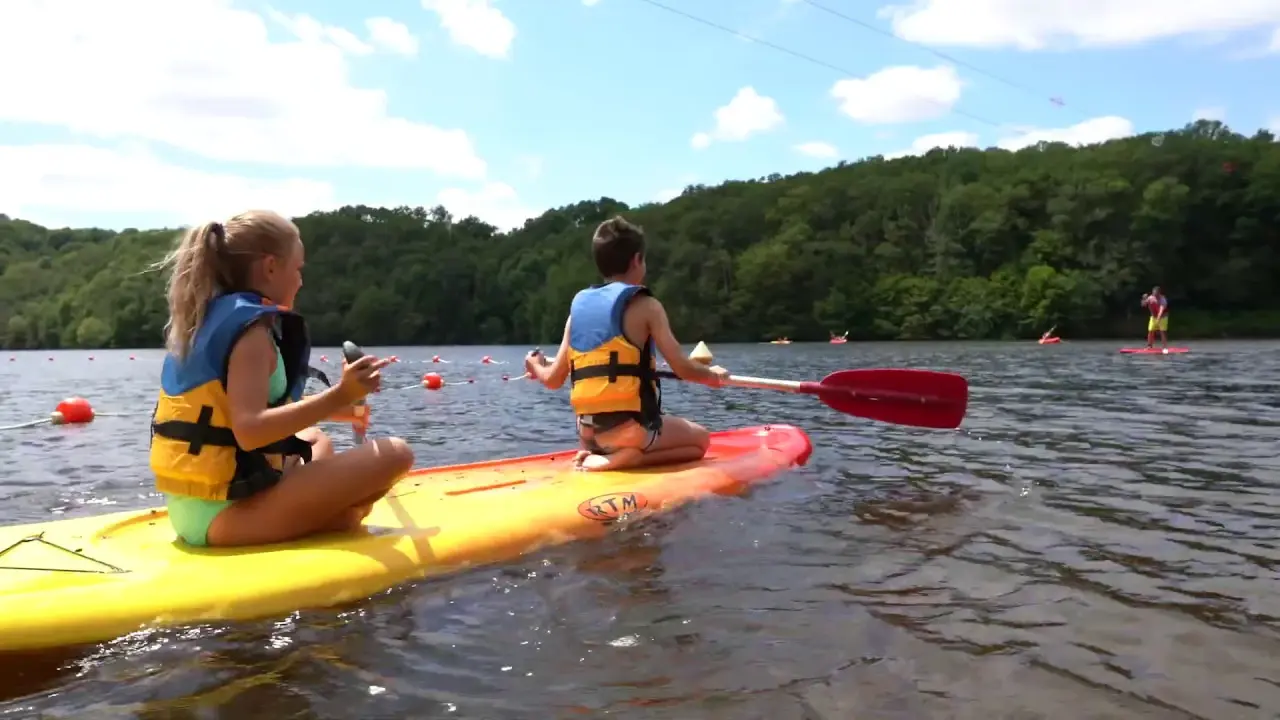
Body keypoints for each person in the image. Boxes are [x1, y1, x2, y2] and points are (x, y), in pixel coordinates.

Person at [147, 210, 414, 548]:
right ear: (271, 266)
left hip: (195, 509)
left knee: (316, 440)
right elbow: (250, 430)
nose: (301, 280)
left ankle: (321, 515)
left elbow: (241, 412)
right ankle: (335, 520)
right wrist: (339, 395)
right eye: (298, 269)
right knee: (397, 454)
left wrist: (342, 404)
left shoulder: (210, 318)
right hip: (224, 515)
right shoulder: (251, 334)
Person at [524, 215, 729, 472]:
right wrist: (712, 375)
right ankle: (625, 457)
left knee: (691, 450)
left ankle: (608, 453)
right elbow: (683, 369)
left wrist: (535, 365)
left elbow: (553, 379)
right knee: (701, 439)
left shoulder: (577, 313)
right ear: (636, 260)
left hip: (587, 431)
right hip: (627, 430)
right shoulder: (647, 306)